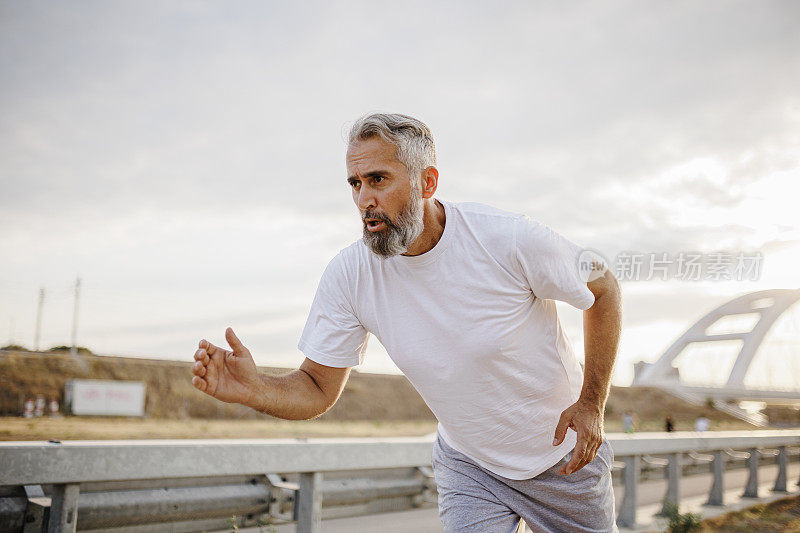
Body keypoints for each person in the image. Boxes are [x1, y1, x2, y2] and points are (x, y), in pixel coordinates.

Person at [191, 113, 623, 532]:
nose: (364, 199)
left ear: (427, 182)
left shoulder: (506, 239)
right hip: (471, 467)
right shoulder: (350, 275)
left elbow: (604, 288)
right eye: (355, 184)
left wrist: (591, 403)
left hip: (564, 460)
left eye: (378, 179)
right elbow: (318, 388)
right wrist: (255, 389)